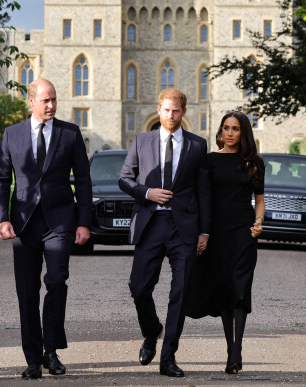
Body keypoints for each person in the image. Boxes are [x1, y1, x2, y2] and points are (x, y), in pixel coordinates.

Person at [0, 79, 93, 380]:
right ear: (31, 101)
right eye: (45, 100)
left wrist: (84, 221)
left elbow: (84, 181)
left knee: (57, 281)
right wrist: (2, 218)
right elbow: (1, 180)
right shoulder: (12, 134)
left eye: (54, 100)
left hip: (60, 221)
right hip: (23, 224)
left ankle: (52, 350)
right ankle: (33, 358)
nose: (51, 105)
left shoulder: (70, 133)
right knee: (27, 292)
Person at [118, 88, 211, 377]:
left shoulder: (197, 145)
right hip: (151, 224)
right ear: (159, 109)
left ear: (184, 112)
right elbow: (124, 179)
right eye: (166, 110)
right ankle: (151, 330)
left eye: (176, 111)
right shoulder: (141, 141)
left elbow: (203, 191)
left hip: (185, 227)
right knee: (139, 287)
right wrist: (147, 192)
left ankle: (168, 357)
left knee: (180, 292)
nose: (171, 116)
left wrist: (205, 231)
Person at [185, 111, 265, 374]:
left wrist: (259, 223)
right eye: (226, 128)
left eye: (236, 129)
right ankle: (230, 345)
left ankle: (236, 350)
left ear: (243, 133)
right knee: (224, 289)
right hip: (216, 234)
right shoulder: (208, 161)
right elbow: (202, 198)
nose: (230, 133)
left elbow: (260, 199)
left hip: (243, 233)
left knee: (240, 288)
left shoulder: (253, 163)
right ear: (220, 131)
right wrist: (201, 233)